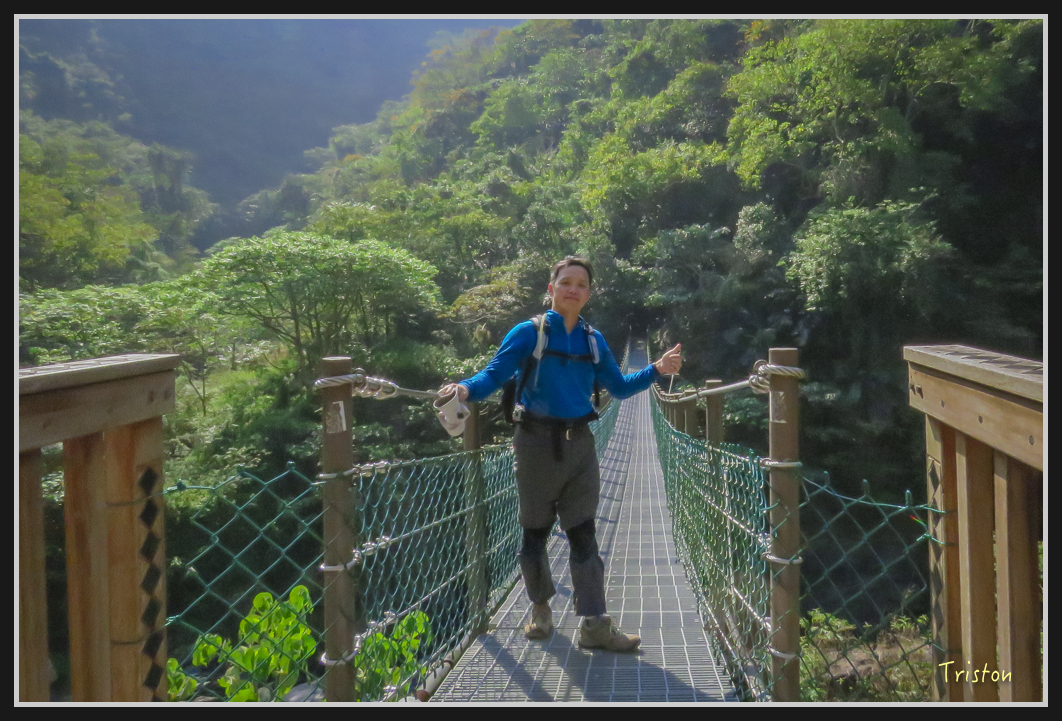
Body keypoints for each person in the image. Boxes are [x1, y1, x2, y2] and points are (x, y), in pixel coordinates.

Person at [439, 256, 682, 652]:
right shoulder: (528, 333)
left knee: (584, 533)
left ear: (588, 293)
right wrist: (465, 390)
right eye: (565, 282)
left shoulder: (593, 340)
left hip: (580, 443)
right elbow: (496, 373)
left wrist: (656, 368)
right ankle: (540, 608)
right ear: (551, 289)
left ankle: (595, 624)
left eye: (581, 284)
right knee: (534, 532)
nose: (572, 289)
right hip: (534, 443)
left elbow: (618, 387)